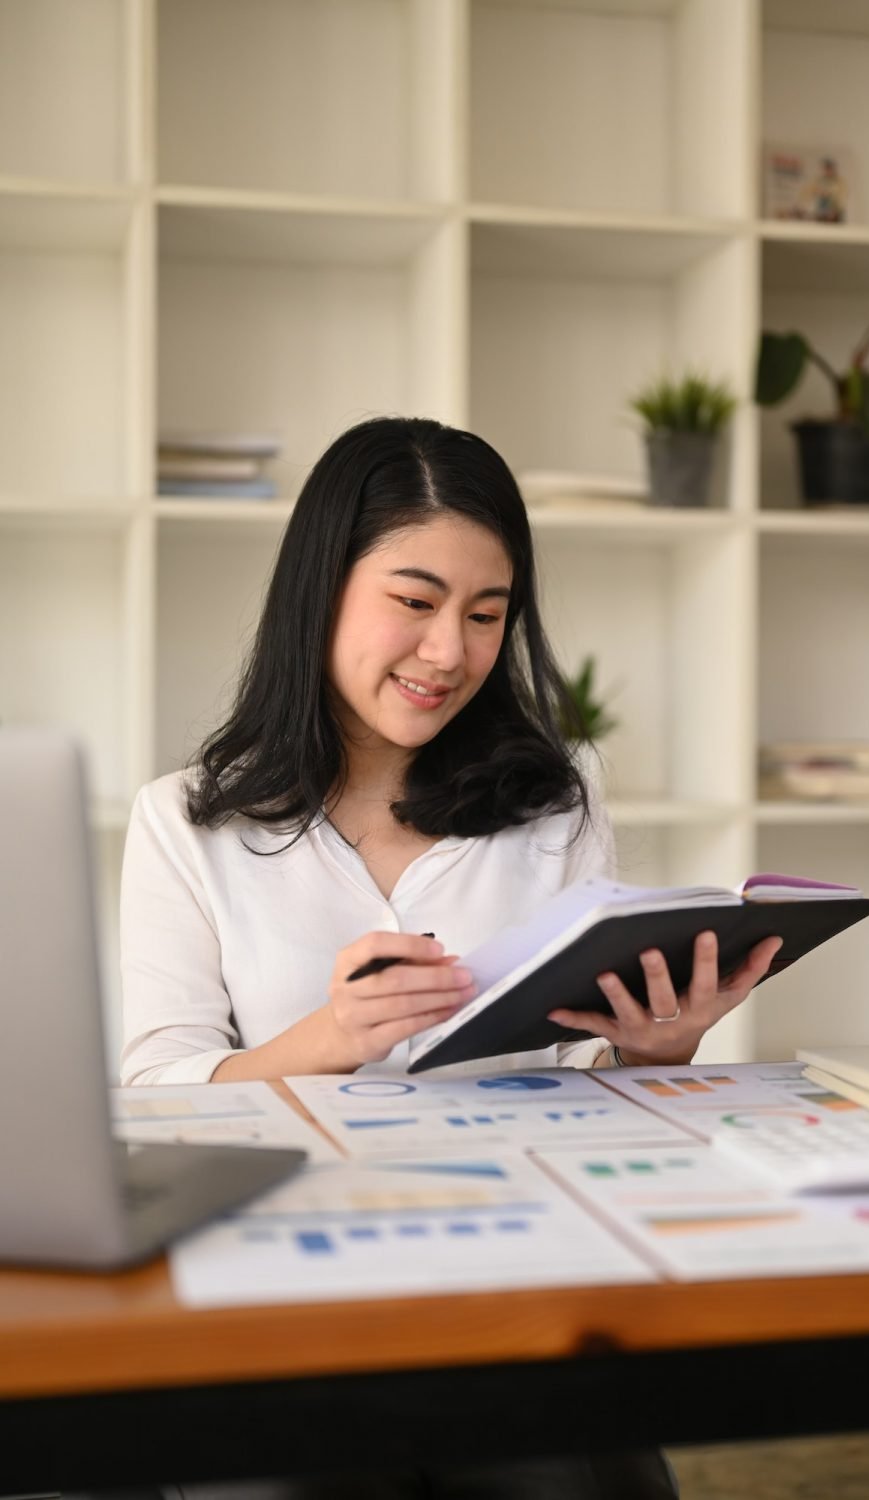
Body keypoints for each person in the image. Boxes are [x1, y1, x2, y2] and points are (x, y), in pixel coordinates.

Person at [120, 415, 781, 1499]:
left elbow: (582, 1091)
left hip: (509, 1261)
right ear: (322, 588)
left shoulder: (553, 801)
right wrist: (327, 1040)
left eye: (486, 614)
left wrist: (654, 1054)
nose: (449, 653)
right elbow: (154, 1096)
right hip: (282, 1271)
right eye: (415, 603)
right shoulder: (187, 824)